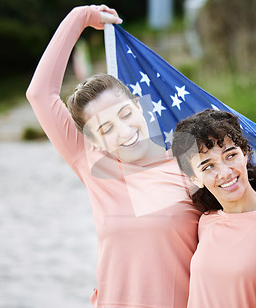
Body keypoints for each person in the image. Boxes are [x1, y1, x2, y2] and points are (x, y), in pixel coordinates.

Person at [25, 5, 200, 308]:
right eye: (106, 128)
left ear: (139, 105)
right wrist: (81, 17)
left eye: (125, 114)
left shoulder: (188, 161)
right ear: (95, 140)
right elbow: (39, 94)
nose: (123, 130)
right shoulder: (94, 164)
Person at [171, 109, 256, 308]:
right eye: (207, 167)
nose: (224, 173)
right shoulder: (205, 222)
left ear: (245, 153)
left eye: (230, 156)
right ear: (195, 179)